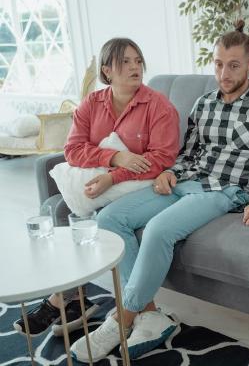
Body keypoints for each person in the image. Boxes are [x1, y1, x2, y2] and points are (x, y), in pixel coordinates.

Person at [70, 20, 249, 362]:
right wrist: (170, 173)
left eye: (233, 65)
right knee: (110, 218)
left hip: (225, 191)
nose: (224, 73)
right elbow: (187, 154)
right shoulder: (203, 104)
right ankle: (149, 314)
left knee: (158, 230)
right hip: (187, 183)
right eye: (218, 64)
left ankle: (120, 319)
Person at [13, 38, 180, 338]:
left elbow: (162, 159)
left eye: (138, 61)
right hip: (104, 182)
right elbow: (73, 150)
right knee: (62, 209)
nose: (135, 67)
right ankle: (71, 296)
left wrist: (112, 176)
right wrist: (115, 156)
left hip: (141, 186)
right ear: (107, 70)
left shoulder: (159, 106)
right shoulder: (91, 104)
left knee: (102, 215)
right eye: (125, 62)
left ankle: (132, 308)